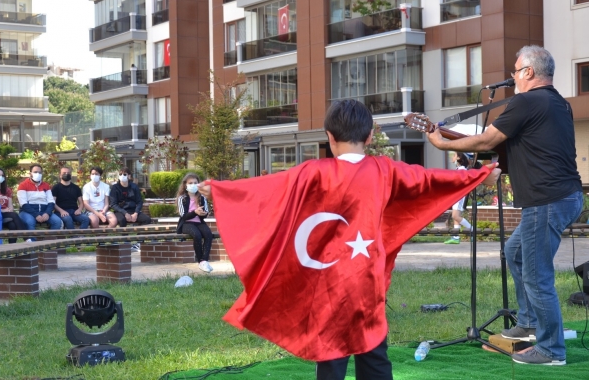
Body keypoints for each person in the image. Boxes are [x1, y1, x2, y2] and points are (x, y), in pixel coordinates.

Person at [198, 99, 500, 380]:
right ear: (369, 137)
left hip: (328, 282)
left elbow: (268, 190)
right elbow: (431, 179)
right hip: (366, 279)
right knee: (373, 352)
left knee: (331, 354)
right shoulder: (385, 170)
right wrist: (477, 176)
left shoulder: (312, 173)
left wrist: (222, 191)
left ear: (329, 137)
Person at [427, 45, 583, 366]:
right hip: (563, 196)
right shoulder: (558, 104)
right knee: (514, 252)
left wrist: (444, 143)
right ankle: (528, 323)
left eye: (515, 70)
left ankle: (551, 349)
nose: (512, 77)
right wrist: (494, 167)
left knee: (537, 276)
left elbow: (487, 139)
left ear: (528, 72)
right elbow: (528, 150)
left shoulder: (526, 100)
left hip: (546, 200)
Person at [176, 173, 213, 273]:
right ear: (185, 185)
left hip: (199, 222)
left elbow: (205, 212)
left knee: (208, 234)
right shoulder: (182, 198)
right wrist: (194, 212)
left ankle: (204, 260)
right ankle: (200, 260)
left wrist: (203, 213)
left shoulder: (202, 197)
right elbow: (183, 215)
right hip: (186, 223)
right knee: (197, 235)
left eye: (195, 183)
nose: (193, 185)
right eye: (190, 183)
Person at [18, 164, 63, 233]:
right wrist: (36, 215)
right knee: (30, 222)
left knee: (57, 221)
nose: (38, 174)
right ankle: (32, 243)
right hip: (27, 212)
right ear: (30, 174)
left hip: (44, 211)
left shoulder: (46, 185)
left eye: (39, 172)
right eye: (35, 172)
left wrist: (47, 213)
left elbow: (51, 202)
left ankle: (48, 241)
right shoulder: (23, 185)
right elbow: (23, 204)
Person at [444, 152, 474, 244]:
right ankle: (456, 237)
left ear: (458, 158)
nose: (452, 157)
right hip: (457, 195)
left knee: (455, 216)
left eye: (454, 155)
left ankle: (472, 230)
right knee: (456, 217)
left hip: (459, 196)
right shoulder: (459, 169)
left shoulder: (462, 170)